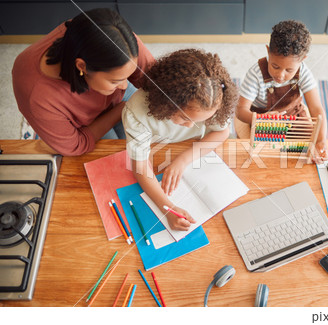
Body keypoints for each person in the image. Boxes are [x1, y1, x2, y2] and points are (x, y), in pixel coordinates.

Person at [12, 8, 155, 156]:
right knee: (116, 155)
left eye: (127, 76)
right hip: (84, 128)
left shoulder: (114, 38)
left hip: (113, 101)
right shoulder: (37, 96)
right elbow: (76, 145)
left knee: (145, 141)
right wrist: (124, 108)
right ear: (82, 66)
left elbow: (155, 80)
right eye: (116, 80)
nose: (126, 85)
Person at [122, 49, 238, 231]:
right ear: (167, 103)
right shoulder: (137, 113)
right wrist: (168, 209)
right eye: (184, 118)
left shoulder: (213, 102)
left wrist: (183, 160)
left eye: (200, 121)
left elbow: (221, 132)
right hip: (155, 146)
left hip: (185, 149)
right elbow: (141, 166)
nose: (191, 126)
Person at [235, 20, 328, 161]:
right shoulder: (255, 74)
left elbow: (316, 108)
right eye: (275, 66)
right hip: (265, 121)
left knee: (308, 149)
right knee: (264, 157)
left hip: (294, 117)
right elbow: (240, 111)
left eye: (289, 70)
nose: (281, 75)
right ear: (268, 51)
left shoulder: (303, 72)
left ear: (303, 60)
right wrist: (261, 119)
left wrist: (320, 140)